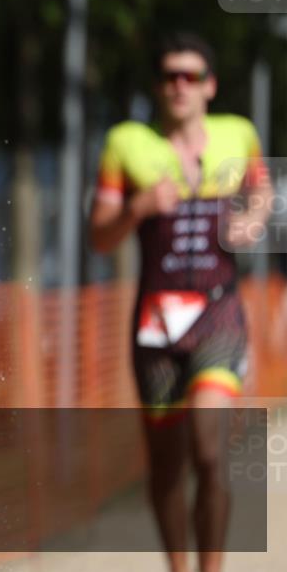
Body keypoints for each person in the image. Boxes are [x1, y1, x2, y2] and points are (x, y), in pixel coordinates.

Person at [89, 32, 273, 572]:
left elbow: (260, 190)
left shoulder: (238, 133)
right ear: (158, 84)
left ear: (209, 85)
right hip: (156, 322)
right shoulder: (127, 142)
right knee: (166, 466)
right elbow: (99, 238)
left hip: (219, 312)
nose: (179, 86)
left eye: (191, 76)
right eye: (170, 76)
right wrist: (139, 207)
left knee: (209, 450)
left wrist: (253, 217)